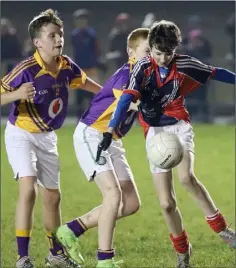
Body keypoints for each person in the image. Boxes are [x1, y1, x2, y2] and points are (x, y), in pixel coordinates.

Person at [96, 20, 235, 268]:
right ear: (151, 47)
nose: (162, 58)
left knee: (186, 178)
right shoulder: (141, 67)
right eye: (157, 53)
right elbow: (127, 98)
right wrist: (110, 130)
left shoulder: (184, 63)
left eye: (167, 53)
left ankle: (223, 231)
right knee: (166, 203)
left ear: (175, 49)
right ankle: (183, 253)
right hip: (155, 134)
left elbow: (215, 73)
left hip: (178, 126)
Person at [1, 9, 101, 268]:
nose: (58, 39)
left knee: (53, 197)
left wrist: (110, 95)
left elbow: (84, 81)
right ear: (37, 42)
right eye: (52, 35)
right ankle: (22, 258)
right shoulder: (25, 69)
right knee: (28, 189)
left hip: (47, 137)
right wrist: (16, 95)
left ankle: (55, 254)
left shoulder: (66, 65)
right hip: (20, 133)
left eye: (60, 34)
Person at [53, 28, 150, 268]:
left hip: (112, 139)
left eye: (154, 51)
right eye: (147, 51)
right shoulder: (128, 74)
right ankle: (104, 260)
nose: (152, 56)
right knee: (113, 195)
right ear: (131, 52)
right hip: (93, 134)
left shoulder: (146, 75)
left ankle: (71, 230)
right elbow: (131, 101)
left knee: (131, 203)